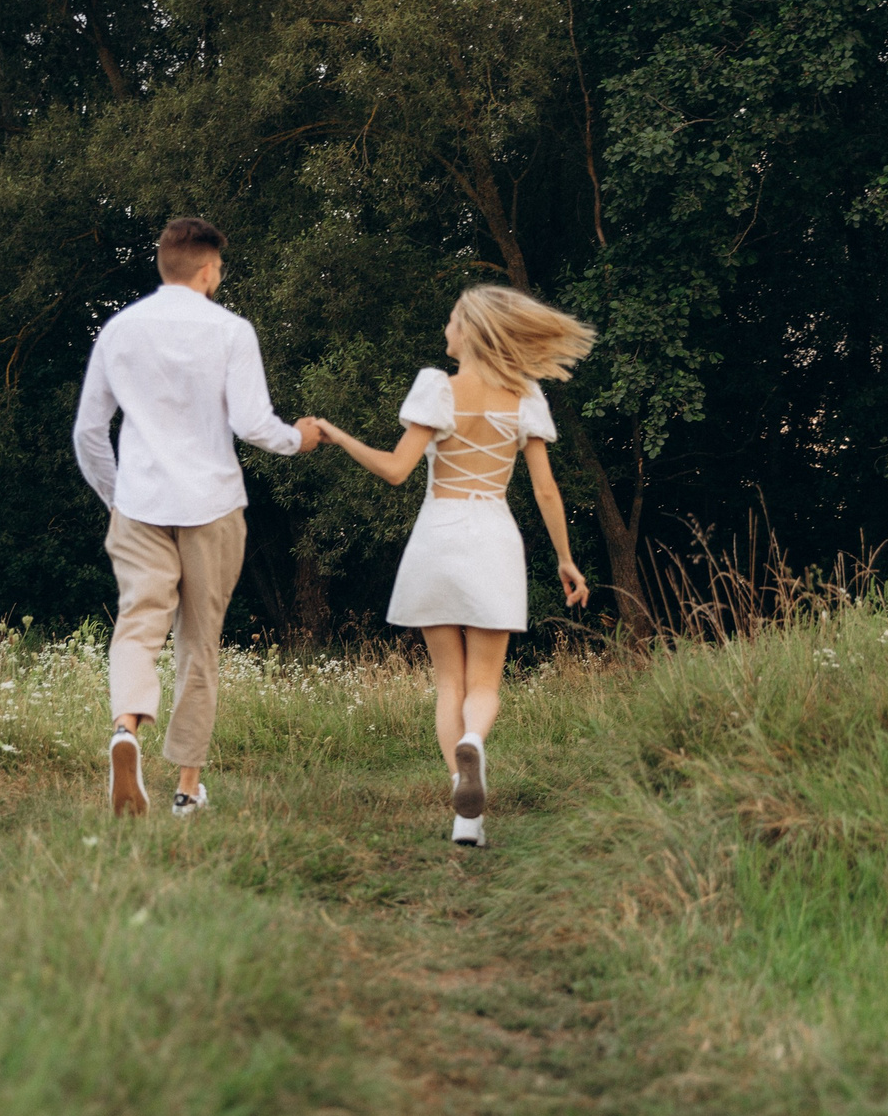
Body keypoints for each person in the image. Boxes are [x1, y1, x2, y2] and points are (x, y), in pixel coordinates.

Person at [313, 285, 595, 846]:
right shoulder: (525, 397)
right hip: (494, 537)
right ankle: (475, 744)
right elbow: (545, 489)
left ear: (469, 331)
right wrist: (565, 558)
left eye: (451, 320)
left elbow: (396, 470)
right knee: (484, 683)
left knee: (449, 682)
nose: (446, 328)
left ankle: (467, 816)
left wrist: (338, 436)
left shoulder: (437, 388)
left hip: (438, 537)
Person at [73, 217, 320, 816]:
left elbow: (88, 432)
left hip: (139, 505)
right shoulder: (231, 331)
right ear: (209, 270)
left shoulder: (119, 330)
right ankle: (186, 790)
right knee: (199, 645)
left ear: (164, 265)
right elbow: (253, 425)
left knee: (138, 626)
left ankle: (126, 729)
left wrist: (117, 496)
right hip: (212, 507)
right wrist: (300, 439)